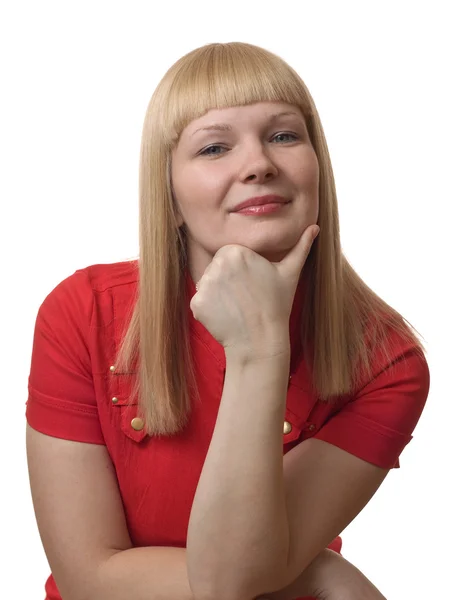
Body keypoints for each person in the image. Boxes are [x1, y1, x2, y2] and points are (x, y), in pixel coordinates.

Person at [25, 41, 430, 600]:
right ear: (168, 189)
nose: (259, 163)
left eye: (284, 136)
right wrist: (317, 572)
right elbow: (90, 580)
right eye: (214, 147)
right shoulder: (82, 313)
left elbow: (232, 577)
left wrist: (258, 351)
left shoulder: (385, 361)